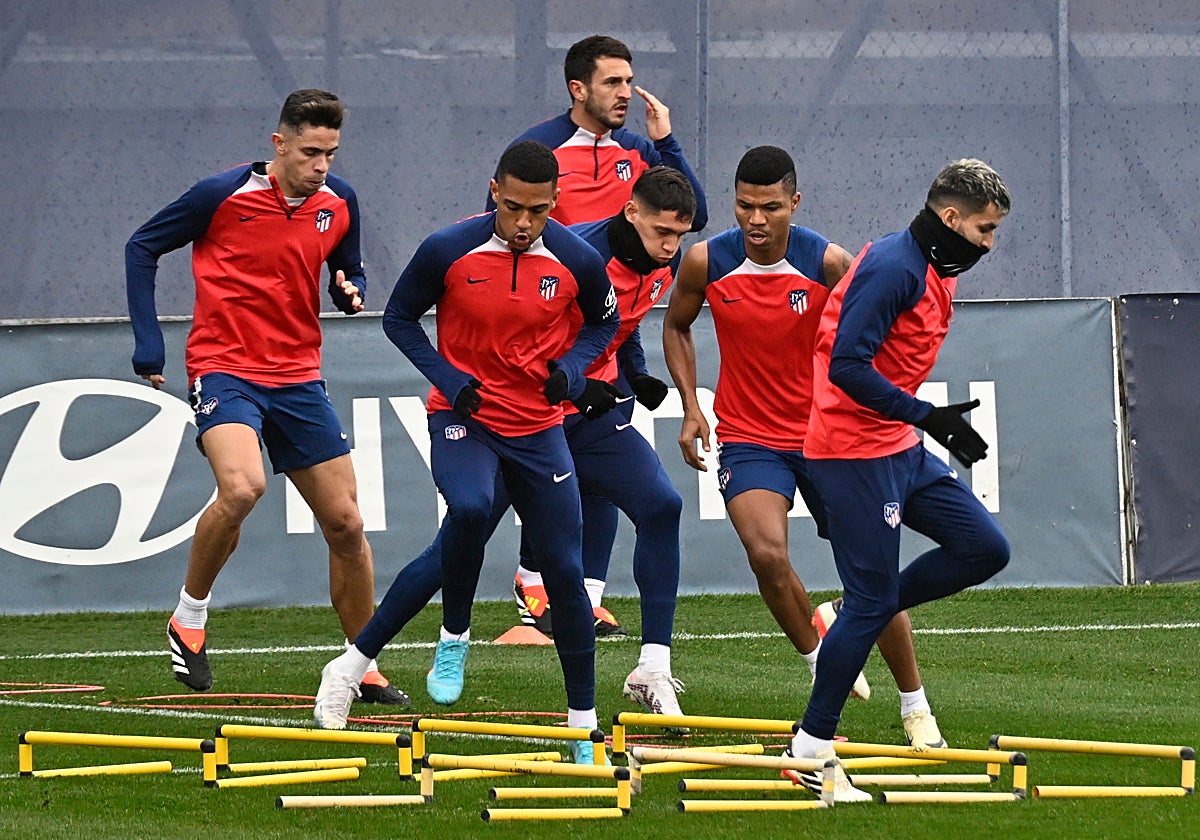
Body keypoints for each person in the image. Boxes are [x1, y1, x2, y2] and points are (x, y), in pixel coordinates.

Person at [313, 141, 619, 764]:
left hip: (538, 429)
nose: (524, 223)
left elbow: (603, 324)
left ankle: (583, 730)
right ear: (494, 191)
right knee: (473, 509)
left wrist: (572, 369)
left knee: (565, 572)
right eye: (513, 207)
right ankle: (431, 642)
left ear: (555, 201)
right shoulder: (447, 248)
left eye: (538, 210)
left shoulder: (579, 260)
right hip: (463, 418)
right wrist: (450, 380)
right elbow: (399, 319)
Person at [662, 146, 947, 765]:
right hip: (749, 437)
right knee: (766, 554)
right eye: (744, 205)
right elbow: (676, 325)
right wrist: (690, 405)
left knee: (872, 575)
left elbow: (872, 342)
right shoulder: (706, 261)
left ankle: (916, 705)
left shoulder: (830, 263)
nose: (755, 218)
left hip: (830, 438)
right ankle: (824, 665)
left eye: (769, 206)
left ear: (794, 202)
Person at [124, 89, 406, 705]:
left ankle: (361, 662)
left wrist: (350, 289)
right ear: (279, 144)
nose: (321, 165)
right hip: (224, 368)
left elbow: (348, 268)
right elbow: (141, 247)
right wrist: (149, 343)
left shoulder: (339, 201)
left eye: (330, 153)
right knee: (243, 487)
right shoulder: (219, 195)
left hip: (299, 376)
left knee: (347, 523)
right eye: (309, 153)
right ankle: (189, 617)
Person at [787, 158, 1012, 801]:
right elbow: (846, 367)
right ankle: (810, 748)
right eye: (985, 229)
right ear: (951, 218)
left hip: (898, 448)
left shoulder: (937, 266)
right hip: (851, 454)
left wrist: (919, 425)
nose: (989, 244)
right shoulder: (894, 267)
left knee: (984, 548)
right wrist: (927, 416)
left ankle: (849, 611)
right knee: (874, 600)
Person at [494, 33, 708, 634]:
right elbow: (504, 227)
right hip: (547, 331)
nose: (626, 93)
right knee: (524, 487)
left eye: (629, 80)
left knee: (605, 483)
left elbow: (691, 215)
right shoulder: (539, 149)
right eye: (613, 82)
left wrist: (667, 141)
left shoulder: (639, 150)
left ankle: (579, 600)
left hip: (609, 336)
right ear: (577, 88)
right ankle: (525, 585)